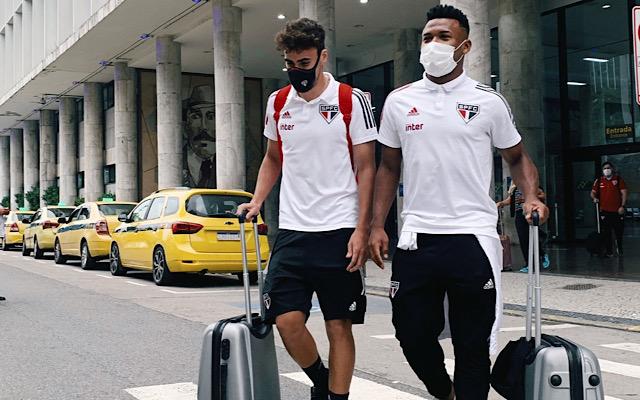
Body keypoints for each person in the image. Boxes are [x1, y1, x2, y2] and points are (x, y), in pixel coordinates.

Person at [368, 5, 549, 400]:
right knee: (411, 332)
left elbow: (516, 156)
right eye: (427, 37)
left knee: (474, 343)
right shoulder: (399, 101)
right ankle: (444, 392)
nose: (433, 44)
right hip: (417, 235)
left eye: (443, 37)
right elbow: (388, 167)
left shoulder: (488, 101)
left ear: (464, 46)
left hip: (473, 235)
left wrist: (530, 195)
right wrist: (377, 224)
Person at [237, 18, 377, 400]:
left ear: (322, 57)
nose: (297, 71)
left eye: (304, 62)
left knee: (338, 324)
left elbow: (367, 167)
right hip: (294, 231)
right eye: (290, 63)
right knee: (287, 321)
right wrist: (258, 199)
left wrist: (362, 229)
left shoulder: (351, 100)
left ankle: (337, 396)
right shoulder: (278, 103)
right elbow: (272, 158)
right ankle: (321, 380)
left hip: (339, 231)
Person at [496, 183, 550, 272]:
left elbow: (542, 195)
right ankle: (530, 263)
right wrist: (501, 203)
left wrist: (527, 199)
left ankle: (541, 255)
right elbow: (511, 200)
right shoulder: (514, 188)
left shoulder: (530, 185)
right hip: (519, 214)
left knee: (531, 236)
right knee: (523, 239)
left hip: (529, 212)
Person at [591, 161, 627, 257]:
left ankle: (619, 247)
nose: (606, 170)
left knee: (618, 232)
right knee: (606, 233)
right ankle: (609, 252)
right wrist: (594, 198)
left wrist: (622, 206)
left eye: (608, 168)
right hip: (605, 211)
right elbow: (593, 192)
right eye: (604, 169)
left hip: (617, 211)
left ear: (612, 169)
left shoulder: (618, 180)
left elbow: (624, 193)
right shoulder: (599, 181)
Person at [183, 84, 216, 188]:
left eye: (211, 116)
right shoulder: (174, 163)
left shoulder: (231, 165)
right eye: (196, 116)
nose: (204, 126)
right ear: (186, 124)